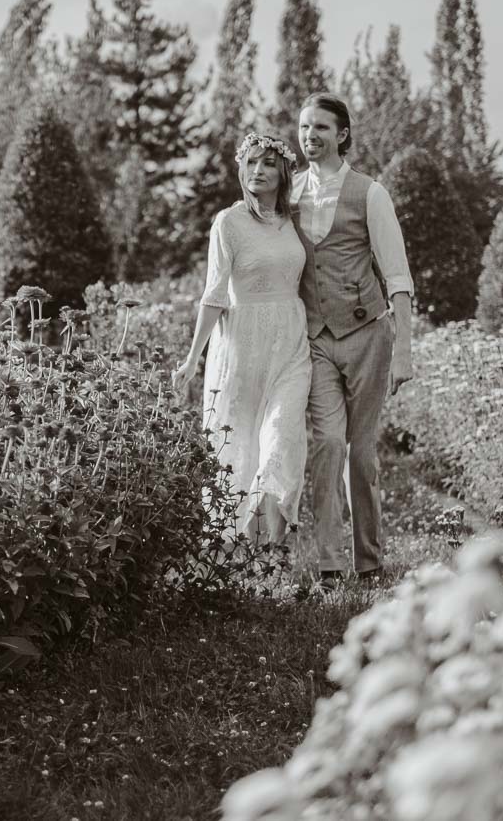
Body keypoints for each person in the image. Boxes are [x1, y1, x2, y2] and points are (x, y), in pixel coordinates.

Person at [291, 92, 415, 583]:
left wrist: (403, 351)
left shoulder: (370, 193)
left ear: (342, 134)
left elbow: (398, 276)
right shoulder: (291, 194)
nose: (309, 136)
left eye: (320, 127)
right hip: (315, 338)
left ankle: (369, 561)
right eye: (303, 128)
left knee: (361, 453)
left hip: (367, 335)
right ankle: (328, 563)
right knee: (326, 446)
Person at [173, 131, 311, 545]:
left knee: (281, 436)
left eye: (268, 163)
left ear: (284, 171)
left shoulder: (294, 220)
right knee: (240, 449)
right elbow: (214, 294)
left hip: (290, 343)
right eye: (251, 162)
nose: (258, 171)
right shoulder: (228, 222)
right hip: (241, 345)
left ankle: (276, 551)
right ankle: (245, 553)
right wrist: (192, 359)